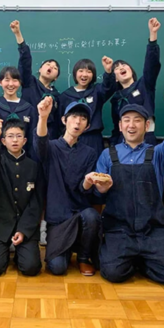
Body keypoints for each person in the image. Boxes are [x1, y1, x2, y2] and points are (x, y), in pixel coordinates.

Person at [94, 96, 164, 284]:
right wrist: (101, 189)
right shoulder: (108, 154)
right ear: (120, 126)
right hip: (119, 229)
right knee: (112, 273)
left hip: (154, 229)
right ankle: (137, 258)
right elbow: (97, 192)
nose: (131, 125)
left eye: (137, 120)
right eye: (127, 120)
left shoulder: (158, 153)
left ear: (146, 126)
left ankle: (141, 260)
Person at [35, 97, 99, 276]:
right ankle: (66, 247)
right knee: (57, 268)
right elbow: (39, 143)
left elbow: (85, 190)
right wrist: (43, 117)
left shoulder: (89, 153)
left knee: (92, 215)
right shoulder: (51, 147)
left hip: (79, 213)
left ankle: (83, 257)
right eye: (73, 116)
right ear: (64, 120)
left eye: (83, 119)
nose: (77, 122)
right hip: (58, 218)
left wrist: (87, 182)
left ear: (87, 126)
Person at [0, 118, 43, 277]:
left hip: (25, 225)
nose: (14, 140)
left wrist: (23, 230)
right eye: (10, 136)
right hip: (0, 225)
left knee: (31, 268)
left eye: (18, 136)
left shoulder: (34, 166)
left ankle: (20, 254)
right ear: (3, 141)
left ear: (25, 141)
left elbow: (36, 202)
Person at [110, 18, 162, 146]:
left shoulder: (145, 84)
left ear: (131, 70)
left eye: (124, 65)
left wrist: (152, 36)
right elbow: (116, 126)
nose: (121, 67)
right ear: (115, 78)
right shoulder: (115, 99)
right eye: (116, 68)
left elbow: (152, 64)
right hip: (122, 143)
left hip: (146, 139)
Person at [11, 20, 62, 140]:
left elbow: (58, 121)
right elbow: (25, 61)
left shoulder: (57, 96)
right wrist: (18, 34)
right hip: (26, 133)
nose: (51, 67)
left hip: (48, 137)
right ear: (40, 69)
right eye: (48, 64)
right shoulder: (29, 82)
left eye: (55, 68)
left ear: (56, 77)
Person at [0, 66, 38, 161]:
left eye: (15, 80)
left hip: (22, 160)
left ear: (20, 83)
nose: (11, 84)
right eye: (7, 80)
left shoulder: (28, 108)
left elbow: (32, 140)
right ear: (0, 82)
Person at [58, 57, 115, 157]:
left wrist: (108, 72)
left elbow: (109, 87)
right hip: (71, 139)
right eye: (81, 71)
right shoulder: (64, 96)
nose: (84, 74)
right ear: (75, 73)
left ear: (93, 75)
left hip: (93, 139)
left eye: (88, 71)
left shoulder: (97, 91)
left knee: (94, 169)